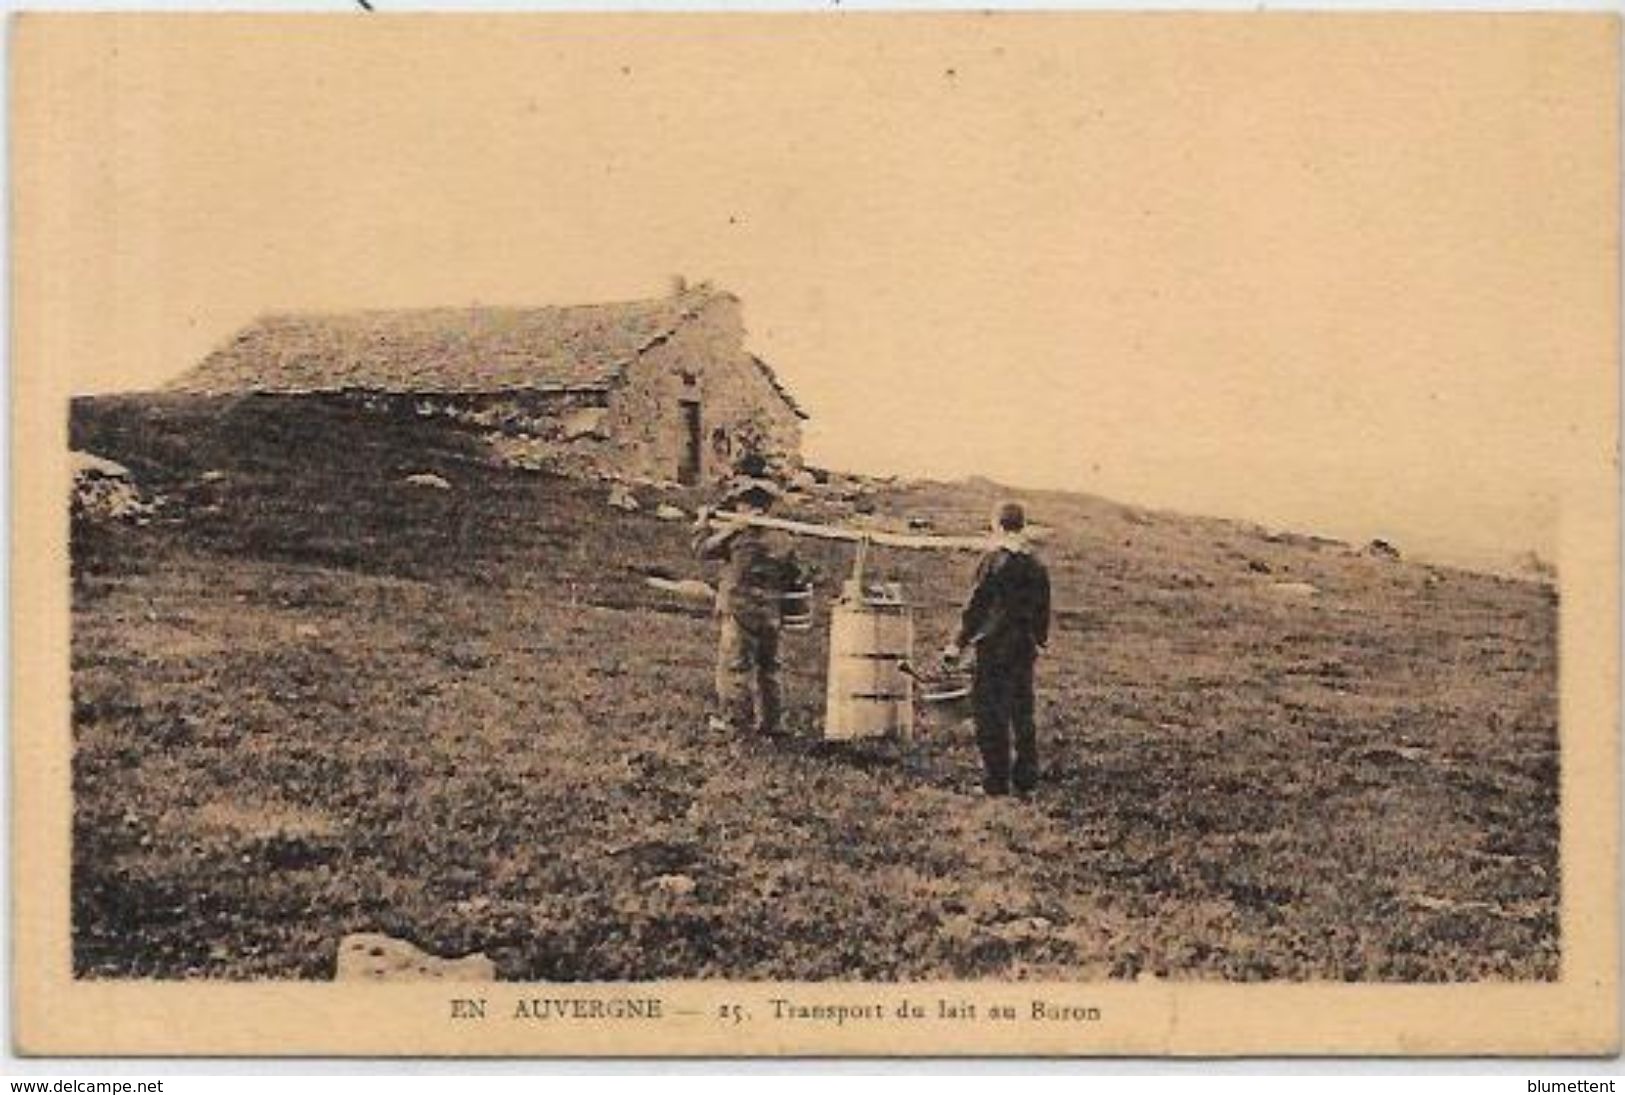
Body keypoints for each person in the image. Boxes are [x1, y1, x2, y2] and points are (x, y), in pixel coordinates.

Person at [944, 500, 1052, 797]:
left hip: (993, 648)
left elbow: (975, 607)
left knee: (990, 713)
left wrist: (957, 643)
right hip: (1023, 648)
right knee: (1022, 712)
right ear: (1022, 526)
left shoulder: (992, 561)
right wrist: (1039, 639)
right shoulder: (1036, 565)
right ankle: (1026, 781)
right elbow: (1043, 608)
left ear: (998, 526)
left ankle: (995, 781)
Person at [693, 475, 802, 738]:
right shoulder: (782, 538)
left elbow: (701, 550)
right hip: (770, 612)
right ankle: (772, 723)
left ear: (745, 506)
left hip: (740, 610)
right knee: (770, 669)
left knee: (735, 667)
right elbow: (794, 573)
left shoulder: (736, 535)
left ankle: (735, 723)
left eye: (739, 504)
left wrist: (704, 523)